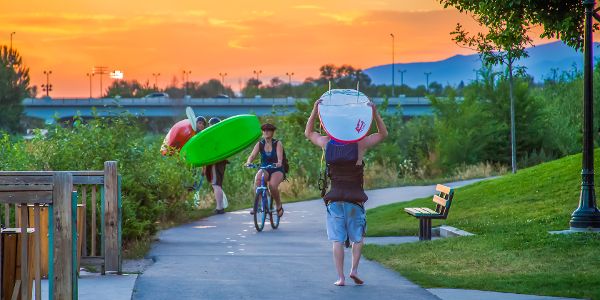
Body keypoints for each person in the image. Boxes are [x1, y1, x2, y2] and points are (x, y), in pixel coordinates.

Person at [304, 99, 387, 286]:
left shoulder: (326, 142)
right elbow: (383, 134)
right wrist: (374, 113)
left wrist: (315, 110)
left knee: (337, 240)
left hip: (334, 200)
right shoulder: (359, 144)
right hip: (354, 200)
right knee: (358, 237)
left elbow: (308, 133)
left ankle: (340, 278)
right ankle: (354, 270)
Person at [245, 123, 286, 218]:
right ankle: (258, 204)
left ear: (272, 132)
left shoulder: (277, 143)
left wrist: (279, 162)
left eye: (268, 130)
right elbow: (252, 155)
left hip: (276, 169)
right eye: (264, 130)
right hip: (265, 168)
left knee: (272, 185)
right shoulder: (260, 144)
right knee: (258, 179)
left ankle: (278, 205)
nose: (266, 132)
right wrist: (248, 162)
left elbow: (280, 157)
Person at [203, 117, 228, 214]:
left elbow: (211, 151)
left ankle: (219, 208)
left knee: (215, 184)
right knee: (218, 184)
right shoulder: (221, 136)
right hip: (221, 162)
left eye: (210, 125)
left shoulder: (213, 136)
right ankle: (220, 206)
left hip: (215, 162)